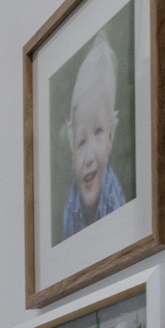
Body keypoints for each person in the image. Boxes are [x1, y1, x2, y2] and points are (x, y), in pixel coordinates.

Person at [58, 37, 125, 241]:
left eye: (98, 132)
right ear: (72, 150)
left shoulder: (115, 203)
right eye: (81, 142)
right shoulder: (71, 206)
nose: (88, 158)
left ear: (110, 139)